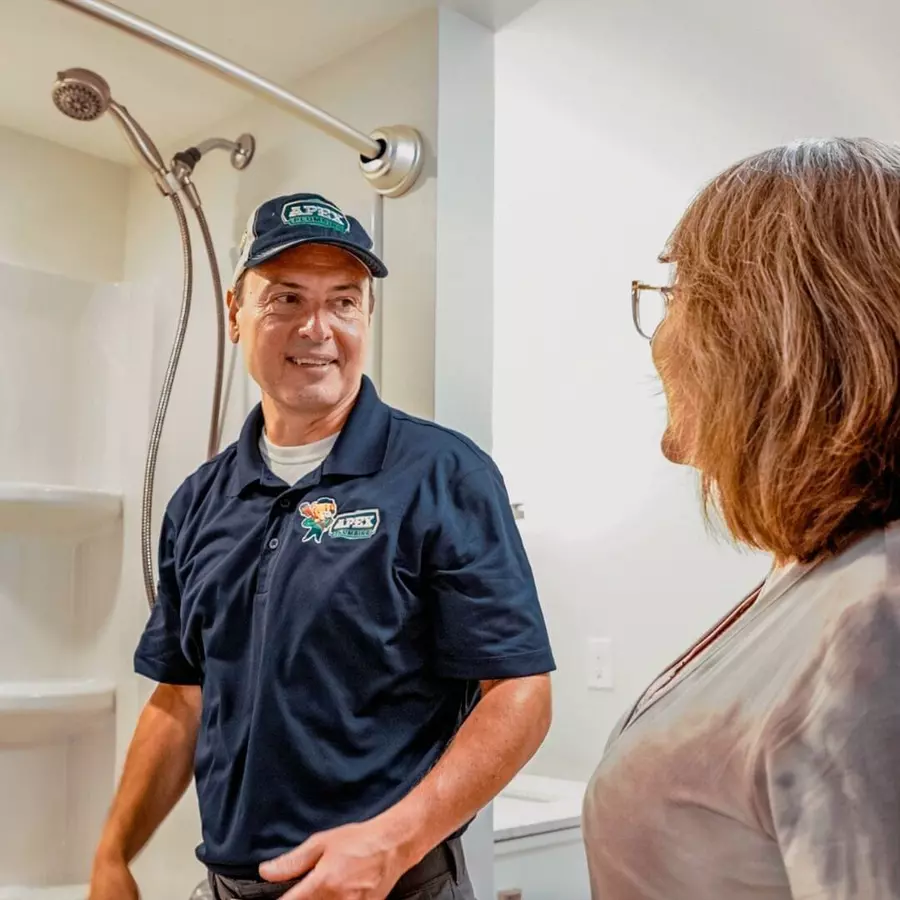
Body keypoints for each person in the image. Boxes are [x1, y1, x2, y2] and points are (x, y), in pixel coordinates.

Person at [88, 192, 555, 900]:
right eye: (286, 299)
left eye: (343, 301)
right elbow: (181, 697)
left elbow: (520, 692)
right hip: (229, 885)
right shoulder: (199, 499)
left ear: (367, 316)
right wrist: (113, 853)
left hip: (393, 885)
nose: (318, 328)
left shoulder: (443, 474)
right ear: (235, 313)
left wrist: (391, 843)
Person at [583, 138, 900, 900]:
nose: (660, 334)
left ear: (759, 331)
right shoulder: (825, 577)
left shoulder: (875, 625)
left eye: (677, 291)